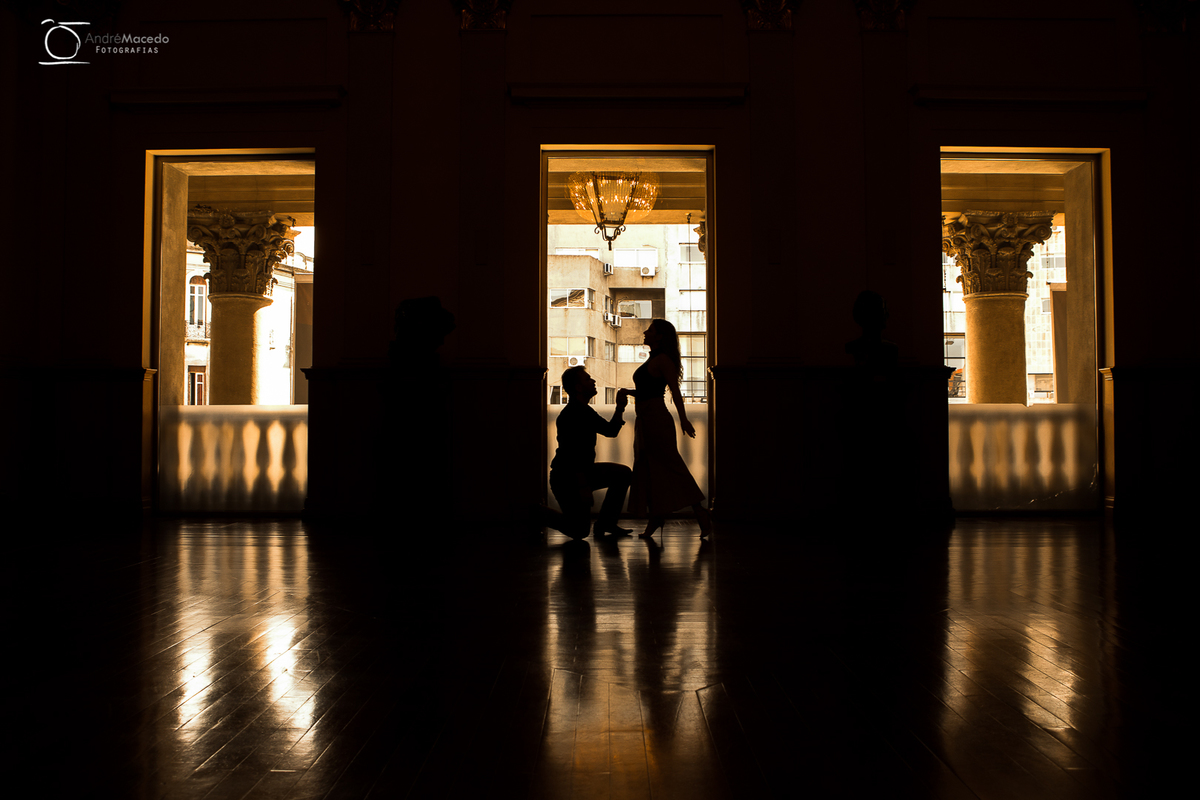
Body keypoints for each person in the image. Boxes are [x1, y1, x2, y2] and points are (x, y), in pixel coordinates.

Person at [625, 319, 713, 539]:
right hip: (646, 419)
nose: (645, 332)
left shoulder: (662, 360)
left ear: (659, 336)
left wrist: (684, 419)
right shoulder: (654, 359)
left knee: (671, 467)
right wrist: (626, 392)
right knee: (652, 469)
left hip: (655, 419)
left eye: (650, 330)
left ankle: (699, 512)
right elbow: (648, 391)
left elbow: (675, 391)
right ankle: (658, 516)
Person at [548, 366, 634, 540]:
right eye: (588, 379)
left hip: (574, 474)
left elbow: (610, 431)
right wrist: (583, 487)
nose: (593, 381)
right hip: (568, 477)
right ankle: (535, 512)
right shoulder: (574, 414)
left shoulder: (583, 410)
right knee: (579, 531)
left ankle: (606, 523)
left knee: (623, 474)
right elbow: (572, 456)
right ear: (578, 387)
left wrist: (620, 408)